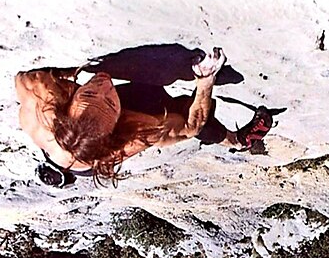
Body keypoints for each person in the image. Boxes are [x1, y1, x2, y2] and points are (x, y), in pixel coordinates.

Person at [15, 47, 274, 187]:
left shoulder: (40, 106)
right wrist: (205, 80)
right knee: (177, 110)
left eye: (91, 93)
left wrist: (70, 72)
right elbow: (190, 127)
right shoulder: (127, 139)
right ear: (115, 124)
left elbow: (23, 77)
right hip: (106, 133)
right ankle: (238, 141)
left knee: (143, 94)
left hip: (80, 121)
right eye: (109, 100)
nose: (104, 84)